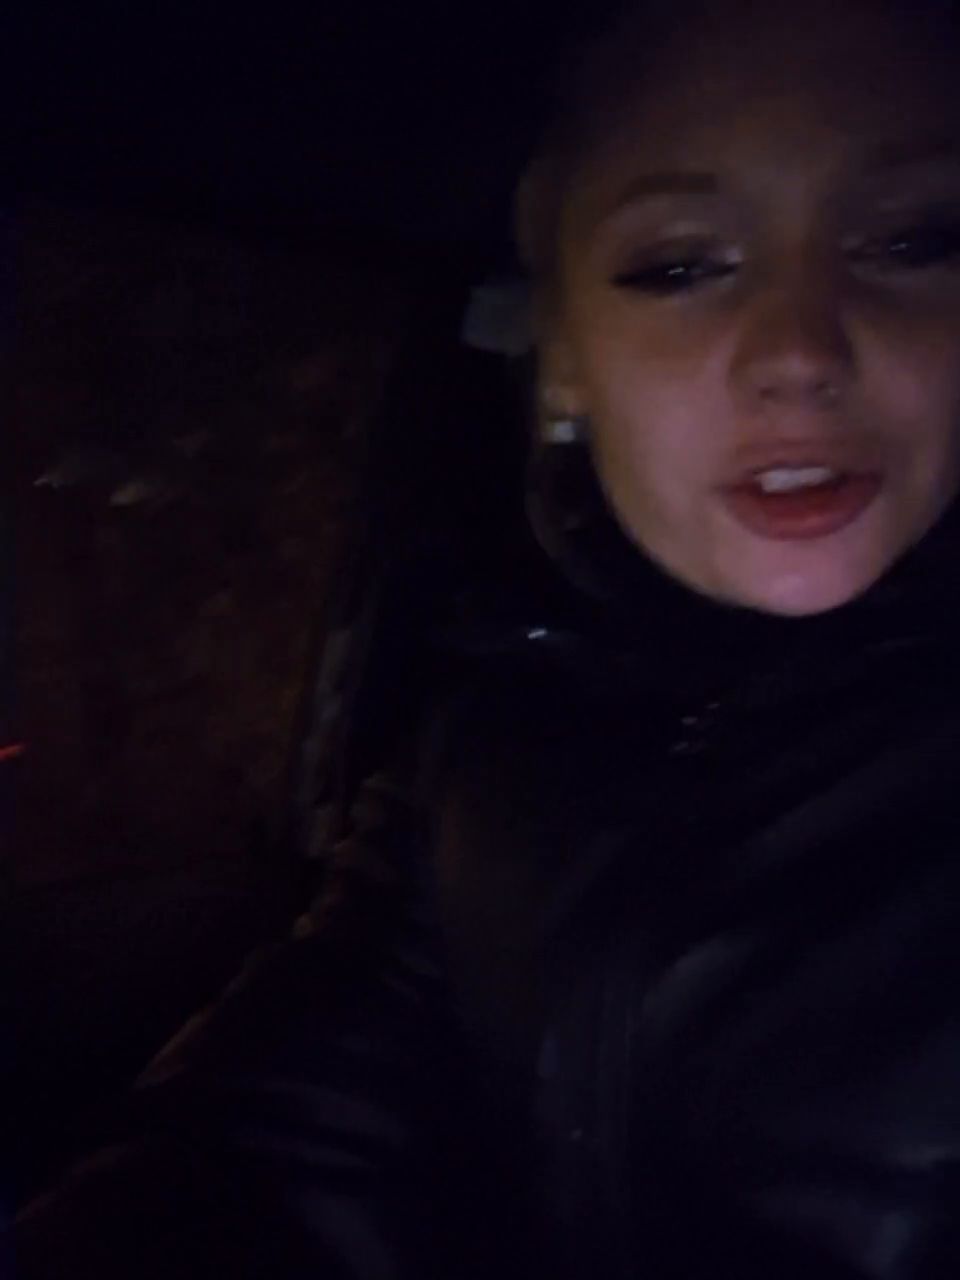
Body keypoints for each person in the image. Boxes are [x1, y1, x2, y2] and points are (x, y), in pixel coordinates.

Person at [15, 0, 960, 1275]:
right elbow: (265, 1146)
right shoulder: (489, 735)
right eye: (680, 264)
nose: (799, 352)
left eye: (911, 240)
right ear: (564, 355)